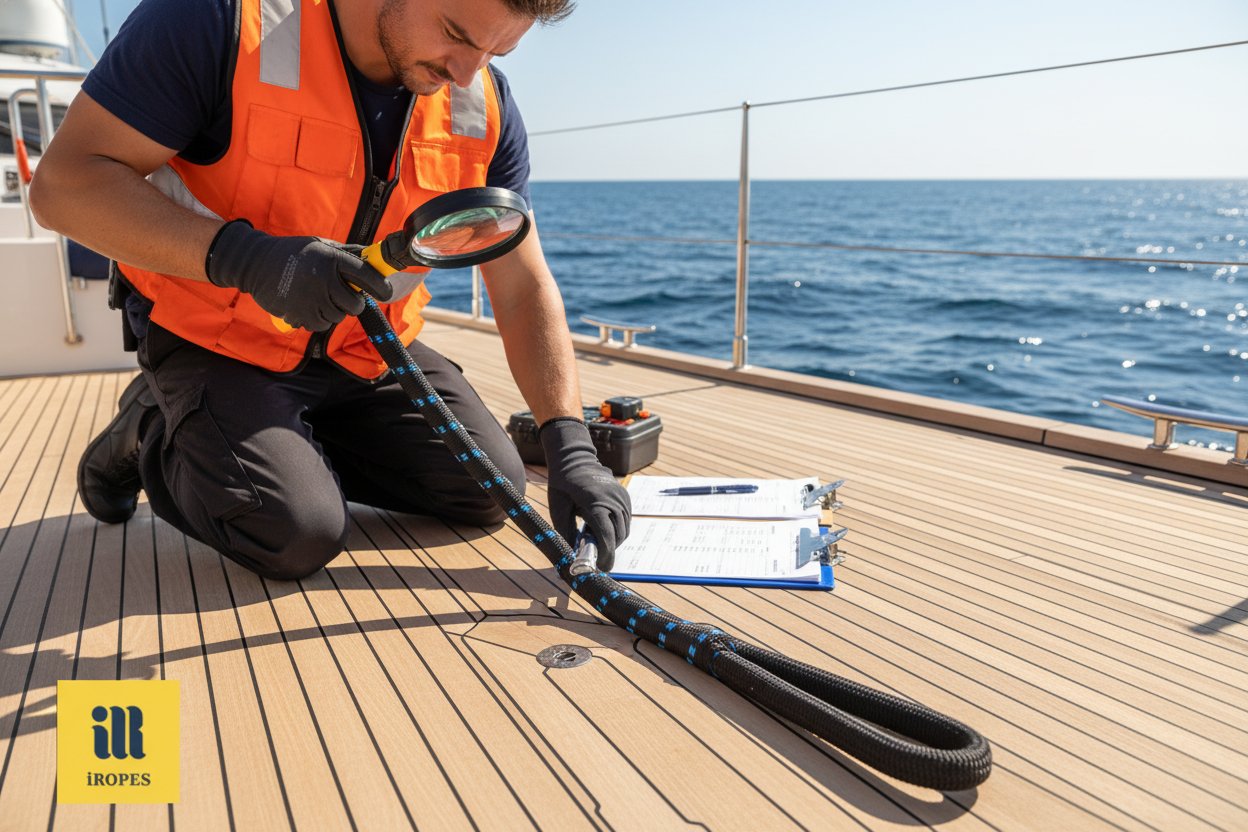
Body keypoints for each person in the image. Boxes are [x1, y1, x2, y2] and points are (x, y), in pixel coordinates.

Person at [29, 0, 630, 580]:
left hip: (362, 351)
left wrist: (569, 443)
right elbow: (62, 186)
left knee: (488, 488)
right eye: (456, 32)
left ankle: (283, 446)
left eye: (500, 50)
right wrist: (250, 259)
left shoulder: (484, 100)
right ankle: (151, 426)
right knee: (293, 531)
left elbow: (521, 283)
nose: (466, 72)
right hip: (216, 338)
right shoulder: (213, 18)